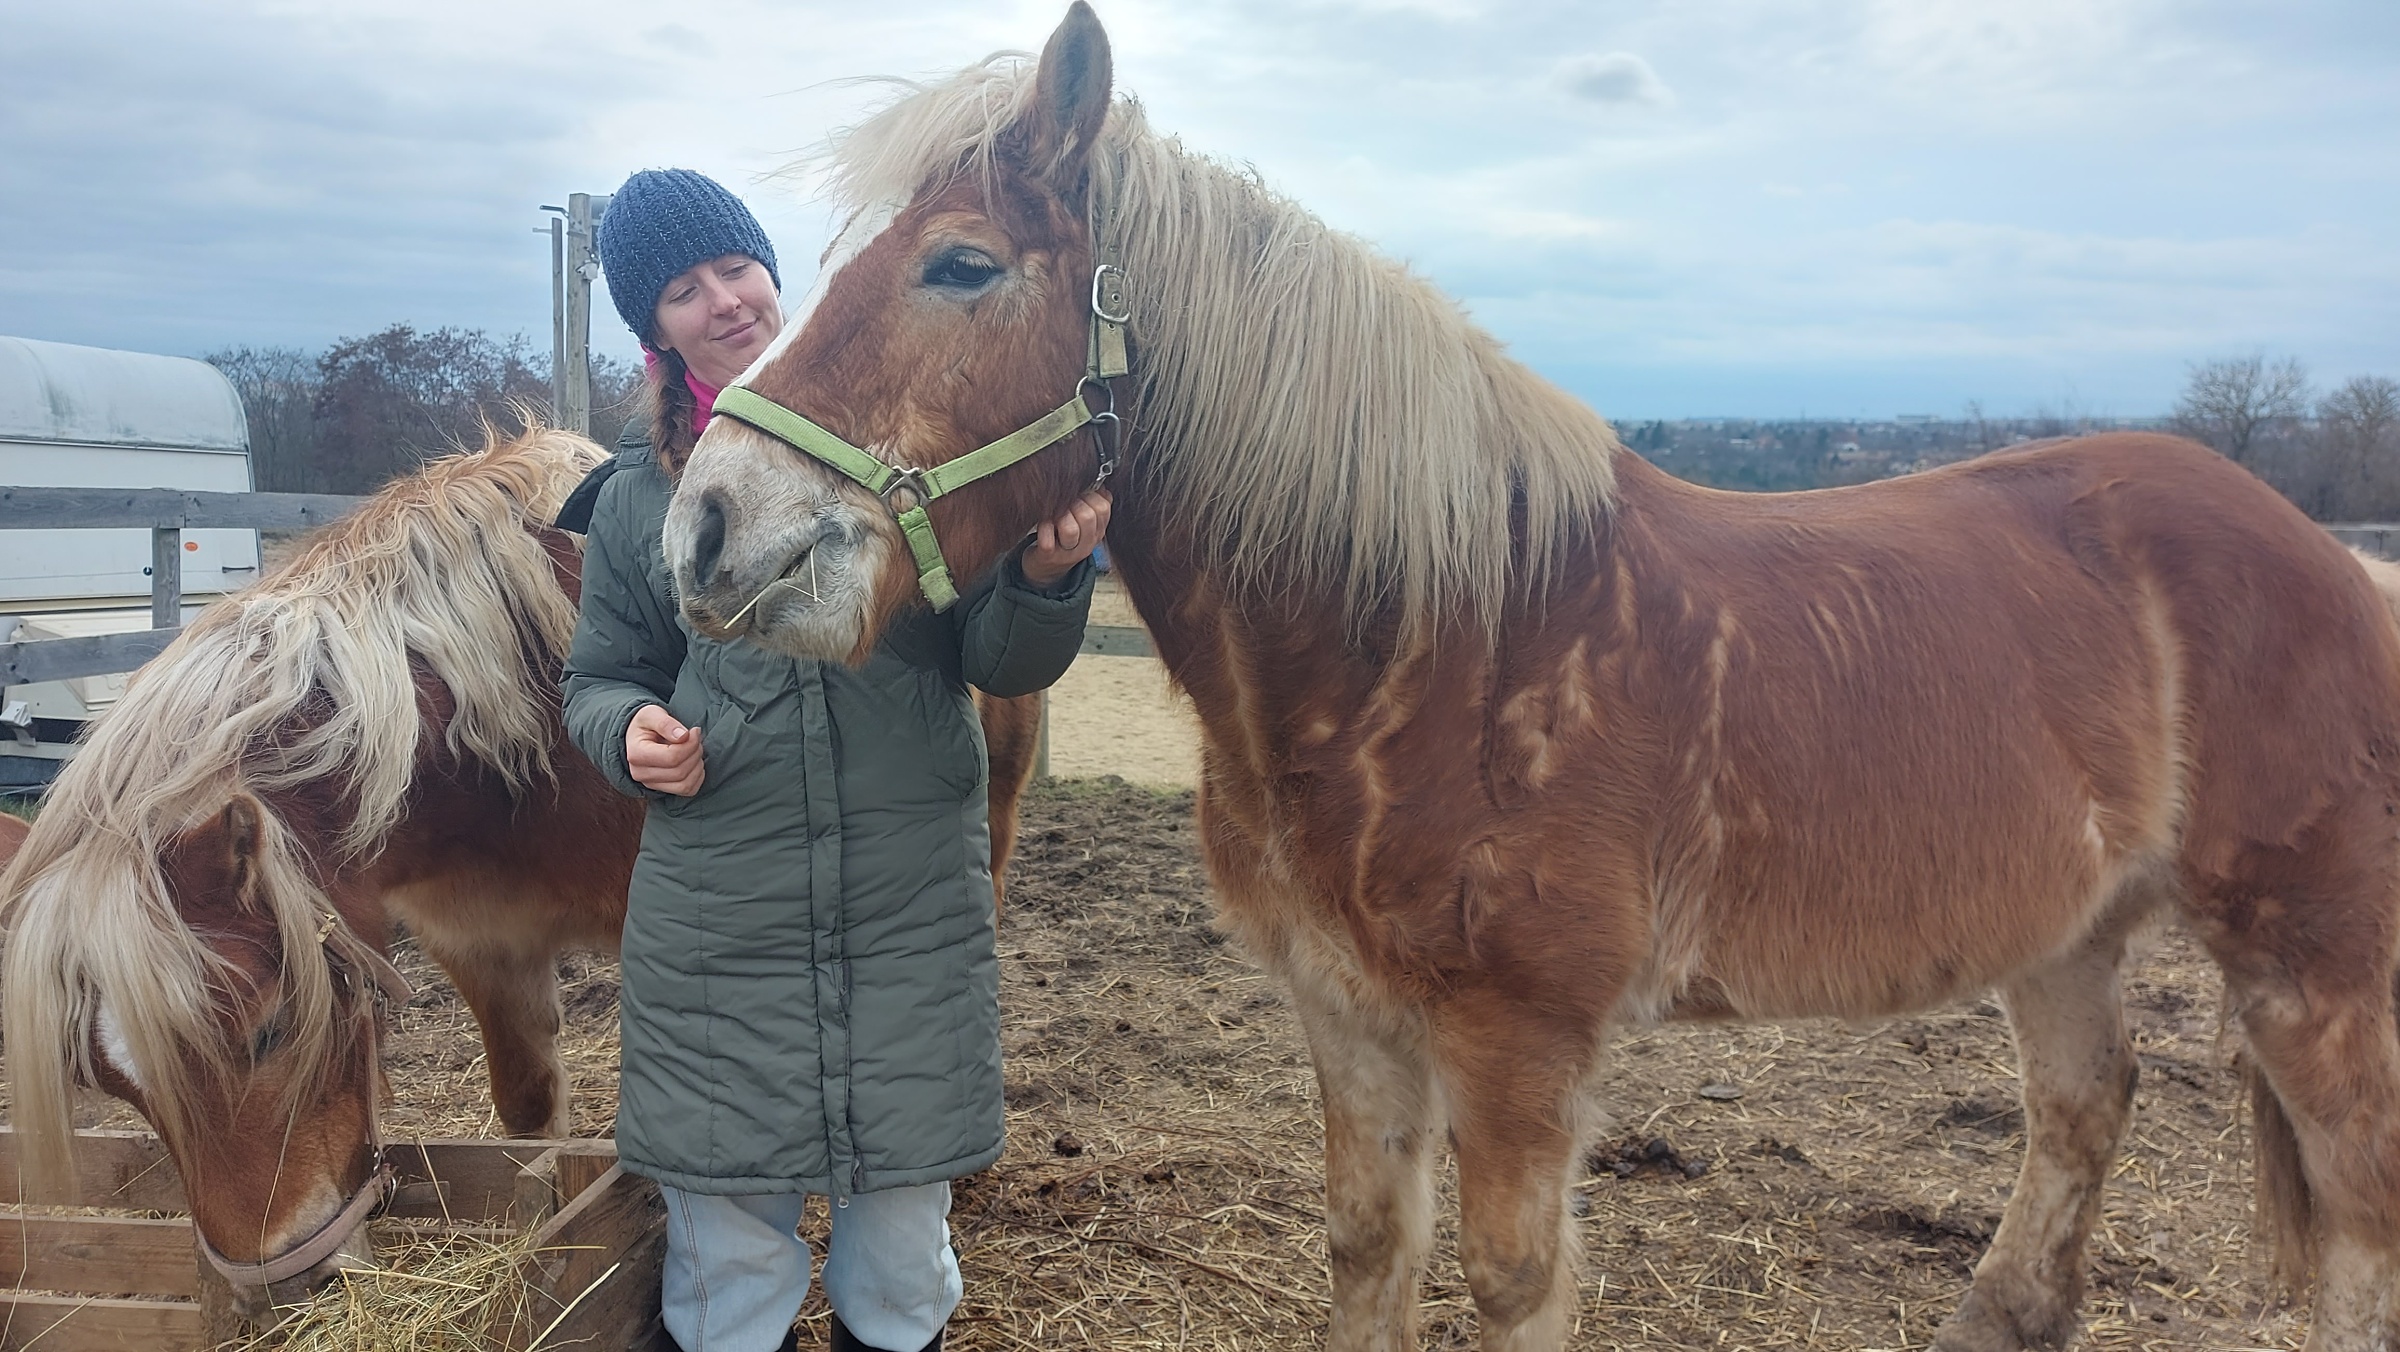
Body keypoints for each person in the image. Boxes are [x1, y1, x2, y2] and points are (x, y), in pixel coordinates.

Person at [558, 168, 1109, 1352]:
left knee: (902, 1258)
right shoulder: (639, 496)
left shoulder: (905, 435)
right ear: (656, 329)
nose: (723, 300)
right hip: (723, 924)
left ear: (774, 272)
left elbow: (1001, 661)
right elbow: (598, 676)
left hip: (906, 915)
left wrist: (1046, 577)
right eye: (683, 290)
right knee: (728, 1261)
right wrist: (627, 730)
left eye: (735, 267)